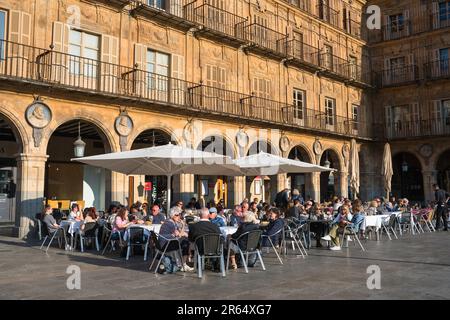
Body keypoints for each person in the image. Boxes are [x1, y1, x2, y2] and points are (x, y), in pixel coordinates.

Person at [159, 207, 194, 272]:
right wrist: (183, 225)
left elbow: (180, 232)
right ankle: (183, 265)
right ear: (172, 215)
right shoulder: (170, 224)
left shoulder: (171, 222)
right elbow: (179, 235)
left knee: (185, 240)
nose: (179, 216)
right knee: (185, 243)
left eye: (179, 214)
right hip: (166, 245)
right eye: (177, 215)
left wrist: (185, 234)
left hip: (165, 243)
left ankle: (183, 264)